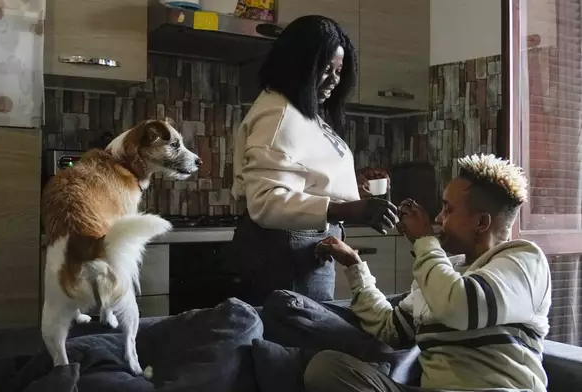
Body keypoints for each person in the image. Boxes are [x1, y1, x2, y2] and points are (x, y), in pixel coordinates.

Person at [308, 153, 552, 392]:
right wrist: (354, 266)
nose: (438, 217)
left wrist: (425, 241)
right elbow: (390, 328)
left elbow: (459, 306)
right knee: (326, 368)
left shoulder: (523, 261)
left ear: (481, 223)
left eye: (448, 210)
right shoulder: (442, 270)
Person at [228, 15, 397, 306]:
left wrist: (350, 188)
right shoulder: (278, 115)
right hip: (287, 253)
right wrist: (348, 208)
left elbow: (300, 175)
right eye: (325, 68)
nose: (334, 79)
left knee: (303, 340)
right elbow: (266, 202)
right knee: (297, 342)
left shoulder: (301, 111)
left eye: (339, 70)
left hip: (305, 248)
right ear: (299, 65)